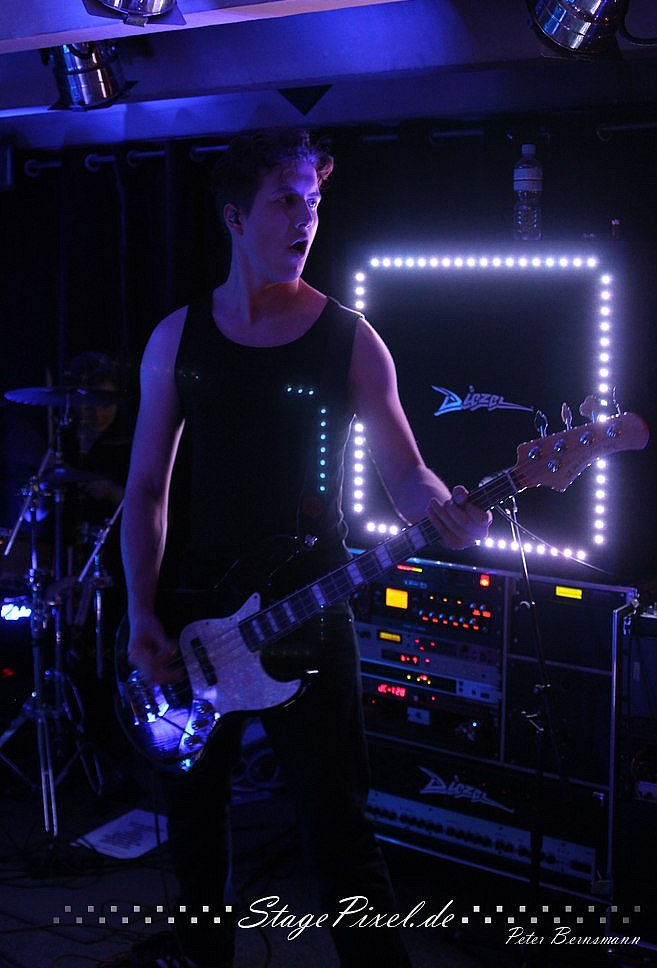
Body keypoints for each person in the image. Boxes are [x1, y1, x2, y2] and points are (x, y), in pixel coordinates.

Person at [120, 129, 491, 968]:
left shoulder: (349, 338)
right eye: (285, 201)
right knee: (195, 828)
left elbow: (408, 474)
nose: (305, 220)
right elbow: (145, 491)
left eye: (313, 203)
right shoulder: (177, 338)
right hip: (192, 615)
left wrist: (447, 511)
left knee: (339, 830)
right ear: (234, 217)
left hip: (311, 617)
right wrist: (141, 612)